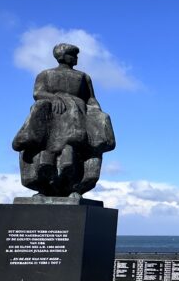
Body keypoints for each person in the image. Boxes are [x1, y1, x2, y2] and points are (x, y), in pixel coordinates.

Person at [12, 43, 116, 198]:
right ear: (62, 56)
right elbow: (38, 93)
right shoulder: (45, 74)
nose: (76, 58)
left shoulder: (83, 77)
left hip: (78, 115)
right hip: (52, 113)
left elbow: (91, 99)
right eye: (73, 55)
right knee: (43, 123)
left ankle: (74, 185)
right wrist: (55, 98)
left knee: (78, 141)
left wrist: (98, 113)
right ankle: (44, 185)